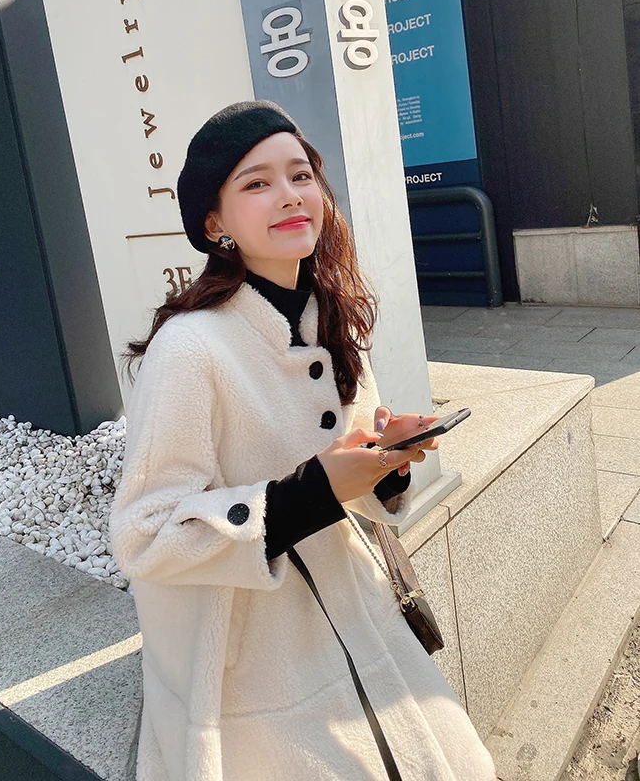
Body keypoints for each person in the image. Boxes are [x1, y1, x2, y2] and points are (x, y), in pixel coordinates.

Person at [109, 100, 497, 781]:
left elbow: (356, 488)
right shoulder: (190, 349)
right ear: (214, 223)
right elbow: (143, 535)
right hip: (260, 671)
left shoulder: (332, 319)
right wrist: (314, 491)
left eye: (300, 175)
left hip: (365, 617)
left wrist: (386, 462)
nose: (290, 195)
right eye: (256, 183)